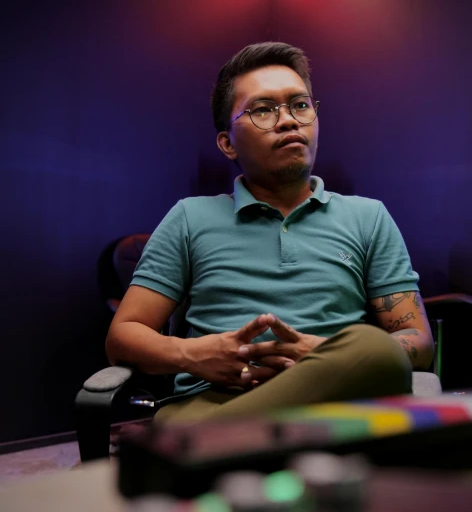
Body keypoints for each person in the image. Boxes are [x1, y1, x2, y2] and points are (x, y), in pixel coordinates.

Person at [106, 42, 434, 422]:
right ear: (227, 143)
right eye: (263, 110)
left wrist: (325, 356)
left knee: (375, 350)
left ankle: (204, 448)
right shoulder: (189, 217)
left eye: (300, 105)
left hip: (337, 404)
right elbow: (123, 337)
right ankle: (230, 439)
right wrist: (196, 355)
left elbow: (417, 340)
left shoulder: (368, 217)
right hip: (214, 402)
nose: (289, 121)